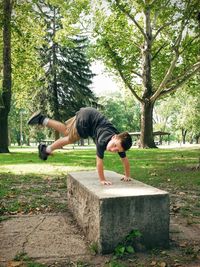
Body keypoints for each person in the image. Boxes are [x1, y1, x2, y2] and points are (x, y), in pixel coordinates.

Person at [28, 107, 132, 185]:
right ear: (113, 137)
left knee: (66, 131)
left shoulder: (119, 141)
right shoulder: (103, 141)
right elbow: (99, 162)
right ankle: (46, 149)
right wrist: (102, 180)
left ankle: (42, 123)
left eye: (116, 150)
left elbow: (125, 159)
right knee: (69, 138)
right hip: (86, 121)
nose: (112, 149)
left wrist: (127, 175)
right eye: (114, 145)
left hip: (87, 114)